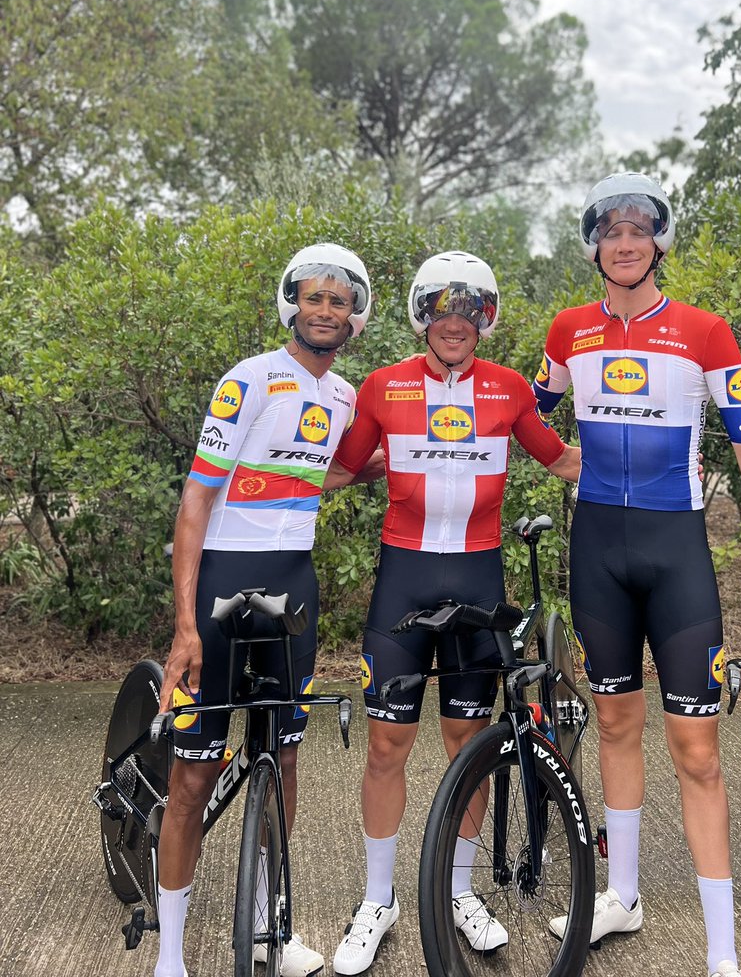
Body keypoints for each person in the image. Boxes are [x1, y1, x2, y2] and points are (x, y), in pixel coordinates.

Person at [532, 172, 741, 977]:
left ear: (659, 242)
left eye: (639, 230)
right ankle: (622, 896)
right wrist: (555, 458)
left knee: (697, 753)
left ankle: (722, 954)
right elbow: (521, 412)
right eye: (611, 231)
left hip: (676, 554)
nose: (625, 243)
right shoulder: (569, 331)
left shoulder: (705, 331)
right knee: (614, 725)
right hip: (597, 553)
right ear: (594, 246)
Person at [322, 250, 581, 976]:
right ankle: (378, 900)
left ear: (485, 320)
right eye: (442, 309)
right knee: (386, 746)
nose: (455, 322)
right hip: (402, 582)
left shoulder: (508, 389)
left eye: (470, 310)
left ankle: (461, 891)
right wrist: (251, 476)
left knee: (469, 745)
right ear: (422, 316)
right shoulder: (383, 386)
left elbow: (562, 460)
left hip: (476, 579)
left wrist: (658, 467)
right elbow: (338, 470)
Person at [154, 243, 378, 977]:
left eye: (339, 301)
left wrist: (383, 465)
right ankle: (169, 956)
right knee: (191, 778)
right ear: (293, 305)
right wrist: (185, 627)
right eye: (314, 298)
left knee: (282, 760)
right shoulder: (249, 379)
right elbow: (196, 500)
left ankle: (269, 928)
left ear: (355, 316)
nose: (325, 311)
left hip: (294, 584)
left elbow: (313, 473)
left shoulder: (345, 396)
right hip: (222, 582)